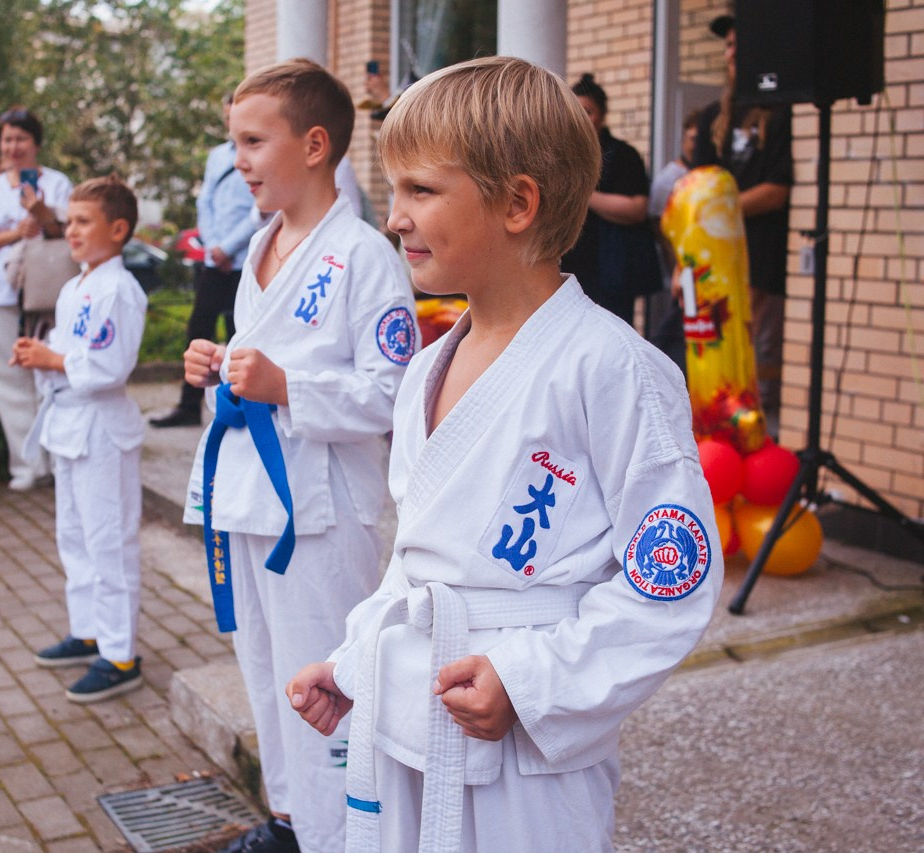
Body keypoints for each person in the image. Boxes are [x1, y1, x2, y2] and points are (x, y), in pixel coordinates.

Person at [287, 57, 721, 852]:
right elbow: (415, 561)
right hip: (411, 710)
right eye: (394, 192)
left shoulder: (612, 368)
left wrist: (532, 682)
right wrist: (353, 662)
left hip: (527, 749)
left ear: (518, 202)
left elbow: (671, 578)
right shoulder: (427, 366)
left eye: (420, 191)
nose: (395, 219)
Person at [181, 59, 417, 853]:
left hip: (319, 511)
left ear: (315, 145)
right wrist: (222, 368)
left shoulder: (365, 255)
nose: (237, 160)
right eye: (234, 142)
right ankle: (290, 820)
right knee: (266, 673)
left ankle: (343, 835)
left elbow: (392, 392)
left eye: (253, 141)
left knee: (326, 684)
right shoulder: (262, 245)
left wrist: (287, 385)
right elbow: (265, 360)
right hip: (252, 494)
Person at [13, 176, 148, 701]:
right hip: (69, 425)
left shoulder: (120, 288)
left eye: (82, 222)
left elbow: (110, 365)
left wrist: (54, 360)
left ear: (117, 230)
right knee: (74, 537)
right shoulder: (75, 287)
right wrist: (37, 355)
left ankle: (120, 653)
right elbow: (68, 354)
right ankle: (88, 628)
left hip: (102, 428)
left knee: (108, 543)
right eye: (67, 222)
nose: (70, 231)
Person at [693, 12, 793, 436]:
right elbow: (697, 191)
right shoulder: (711, 116)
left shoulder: (780, 112)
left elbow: (776, 190)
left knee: (759, 362)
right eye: (728, 45)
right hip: (712, 269)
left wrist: (721, 209)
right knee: (711, 364)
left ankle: (761, 449)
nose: (731, 53)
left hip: (761, 264)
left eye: (739, 44)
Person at [0, 107, 73, 491]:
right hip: (1, 295)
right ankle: (27, 466)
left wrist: (42, 214)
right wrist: (16, 232)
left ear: (36, 143)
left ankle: (62, 462)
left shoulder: (58, 183)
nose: (13, 147)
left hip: (48, 294)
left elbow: (72, 233)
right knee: (10, 379)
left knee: (52, 374)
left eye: (20, 139)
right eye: (7, 139)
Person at [151, 95, 259, 429]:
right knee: (198, 329)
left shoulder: (258, 156)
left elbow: (261, 209)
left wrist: (229, 247)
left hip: (245, 257)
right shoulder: (216, 157)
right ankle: (188, 404)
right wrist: (213, 246)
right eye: (228, 118)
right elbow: (205, 202)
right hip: (214, 261)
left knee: (240, 332)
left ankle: (240, 404)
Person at [560, 73, 662, 325]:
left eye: (588, 111)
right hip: (570, 268)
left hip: (612, 270)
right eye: (576, 111)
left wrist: (583, 193)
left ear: (602, 115)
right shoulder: (559, 155)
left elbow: (637, 208)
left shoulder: (624, 155)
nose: (582, 119)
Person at [647, 110, 702, 371]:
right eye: (692, 138)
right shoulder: (668, 178)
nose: (696, 144)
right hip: (675, 265)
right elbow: (659, 226)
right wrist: (675, 263)